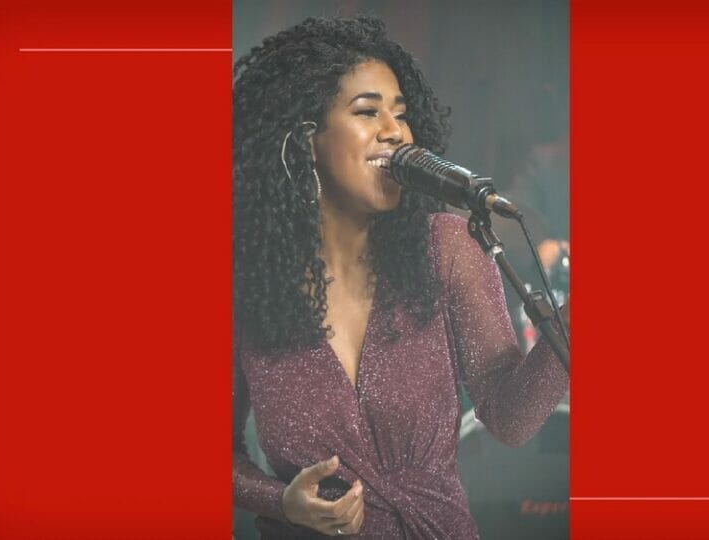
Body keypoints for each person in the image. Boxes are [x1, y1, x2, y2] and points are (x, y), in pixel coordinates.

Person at [232, 16, 569, 539]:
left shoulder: (446, 248)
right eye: (368, 111)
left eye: (402, 114)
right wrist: (283, 502)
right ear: (306, 139)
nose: (396, 131)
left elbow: (509, 419)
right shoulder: (247, 281)